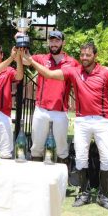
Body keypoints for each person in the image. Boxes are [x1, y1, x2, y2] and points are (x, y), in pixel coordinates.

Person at [23, 42, 108, 211]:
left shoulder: (105, 73)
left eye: (88, 55)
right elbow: (49, 73)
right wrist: (31, 60)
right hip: (82, 120)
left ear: (95, 56)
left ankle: (103, 196)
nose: (84, 58)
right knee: (81, 158)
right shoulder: (74, 71)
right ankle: (84, 193)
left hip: (102, 121)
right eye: (82, 55)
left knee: (107, 159)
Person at [17, 30, 79, 162]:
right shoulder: (42, 58)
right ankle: (37, 181)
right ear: (48, 42)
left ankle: (64, 180)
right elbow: (24, 59)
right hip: (41, 110)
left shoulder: (72, 62)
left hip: (60, 112)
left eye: (57, 41)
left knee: (62, 150)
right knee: (36, 148)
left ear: (63, 42)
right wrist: (20, 41)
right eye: (51, 40)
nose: (54, 44)